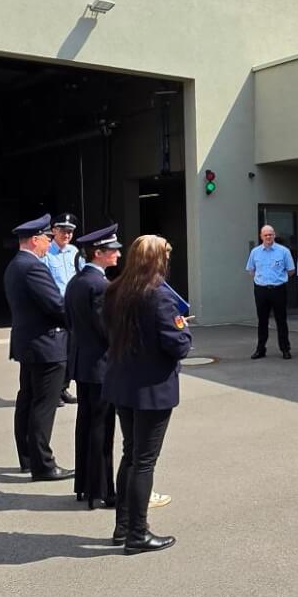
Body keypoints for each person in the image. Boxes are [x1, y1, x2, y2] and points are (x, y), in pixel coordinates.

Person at [103, 235, 191, 554]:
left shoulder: (115, 290)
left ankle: (123, 526)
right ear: (156, 260)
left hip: (122, 382)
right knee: (144, 461)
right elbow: (178, 344)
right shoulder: (159, 296)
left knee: (130, 454)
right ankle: (137, 534)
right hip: (152, 387)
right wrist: (184, 330)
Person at [3, 214, 72, 479]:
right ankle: (43, 464)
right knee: (43, 405)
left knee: (28, 400)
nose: (49, 243)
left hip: (29, 344)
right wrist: (80, 318)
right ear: (35, 239)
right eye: (47, 238)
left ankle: (28, 458)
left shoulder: (16, 265)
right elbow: (56, 305)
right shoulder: (33, 267)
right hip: (46, 345)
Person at [65, 225, 122, 509]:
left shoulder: (76, 281)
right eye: (113, 251)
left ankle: (85, 485)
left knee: (86, 424)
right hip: (101, 366)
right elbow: (106, 329)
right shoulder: (100, 285)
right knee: (102, 428)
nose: (118, 254)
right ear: (98, 253)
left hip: (83, 363)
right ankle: (104, 490)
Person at [246, 224, 295, 359]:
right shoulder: (255, 252)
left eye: (270, 234)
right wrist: (262, 280)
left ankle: (285, 349)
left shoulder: (284, 251)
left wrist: (278, 278)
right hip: (261, 290)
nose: (268, 237)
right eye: (266, 235)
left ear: (274, 235)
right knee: (262, 321)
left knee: (281, 320)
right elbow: (251, 270)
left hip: (278, 289)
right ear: (261, 236)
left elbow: (291, 270)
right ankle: (260, 349)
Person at [45, 215, 79, 401]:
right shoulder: (46, 253)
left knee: (71, 351)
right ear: (54, 231)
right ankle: (53, 391)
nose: (67, 234)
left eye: (70, 231)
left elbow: (82, 274)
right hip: (56, 308)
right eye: (63, 231)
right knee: (57, 352)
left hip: (73, 308)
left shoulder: (74, 252)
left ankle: (63, 388)